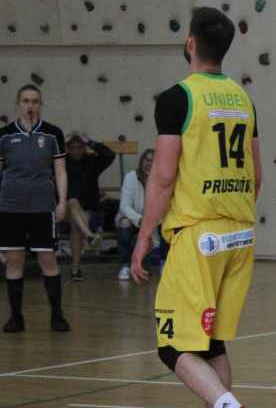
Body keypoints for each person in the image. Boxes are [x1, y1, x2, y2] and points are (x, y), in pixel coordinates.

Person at [131, 7, 269, 408]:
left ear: (190, 43)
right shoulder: (243, 98)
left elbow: (163, 176)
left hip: (199, 236)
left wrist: (144, 235)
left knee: (172, 346)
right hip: (240, 233)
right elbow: (257, 175)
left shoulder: (178, 97)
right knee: (212, 343)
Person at [0, 84, 70, 333]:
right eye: (26, 101)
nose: (30, 105)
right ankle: (16, 318)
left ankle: (57, 316)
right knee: (14, 259)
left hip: (42, 205)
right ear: (18, 104)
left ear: (40, 104)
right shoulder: (4, 135)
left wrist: (62, 202)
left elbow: (60, 172)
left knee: (47, 258)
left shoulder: (53, 134)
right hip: (10, 206)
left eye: (35, 101)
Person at [63, 132, 116, 281]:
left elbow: (109, 155)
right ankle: (89, 236)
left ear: (85, 147)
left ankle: (75, 270)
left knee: (76, 224)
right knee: (73, 202)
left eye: (80, 147)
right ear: (67, 148)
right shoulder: (62, 162)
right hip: (65, 210)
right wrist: (62, 143)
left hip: (88, 211)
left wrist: (90, 141)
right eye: (72, 148)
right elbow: (46, 160)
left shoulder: (92, 161)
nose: (76, 151)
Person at [116, 148, 167, 281]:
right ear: (141, 161)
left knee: (168, 222)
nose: (149, 164)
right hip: (133, 219)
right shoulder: (130, 177)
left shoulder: (162, 180)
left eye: (153, 161)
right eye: (147, 160)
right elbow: (124, 206)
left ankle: (164, 261)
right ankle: (125, 265)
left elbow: (165, 208)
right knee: (124, 223)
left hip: (156, 222)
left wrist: (151, 222)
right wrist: (140, 219)